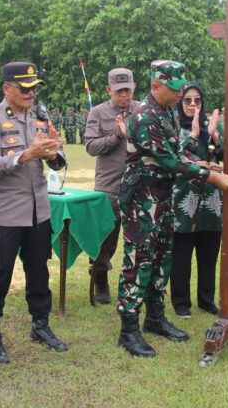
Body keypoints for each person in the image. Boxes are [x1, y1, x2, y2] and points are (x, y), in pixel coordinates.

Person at [116, 60, 228, 358]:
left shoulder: (166, 110)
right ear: (156, 86)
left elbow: (177, 151)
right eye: (175, 89)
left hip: (163, 196)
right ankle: (128, 330)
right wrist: (211, 176)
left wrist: (203, 164)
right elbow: (168, 161)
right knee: (139, 261)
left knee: (162, 257)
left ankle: (155, 317)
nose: (180, 94)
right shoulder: (144, 116)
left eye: (182, 88)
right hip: (142, 199)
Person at [0, 61, 69, 364]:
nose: (31, 93)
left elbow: (57, 160)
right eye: (24, 87)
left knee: (39, 271)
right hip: (6, 212)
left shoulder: (40, 118)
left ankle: (40, 325)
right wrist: (26, 154)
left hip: (38, 211)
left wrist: (53, 153)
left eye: (34, 88)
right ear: (7, 88)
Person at [84, 68, 140, 304]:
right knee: (105, 236)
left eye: (127, 89)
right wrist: (116, 136)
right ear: (109, 90)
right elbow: (90, 146)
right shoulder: (98, 112)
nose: (123, 95)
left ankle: (136, 283)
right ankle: (100, 279)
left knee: (139, 237)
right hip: (109, 186)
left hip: (139, 184)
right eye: (118, 91)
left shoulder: (142, 110)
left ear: (133, 88)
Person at [170, 82, 224, 318]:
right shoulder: (172, 127)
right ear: (180, 103)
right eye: (187, 100)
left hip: (211, 200)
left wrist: (214, 136)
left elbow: (225, 155)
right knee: (181, 254)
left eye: (197, 100)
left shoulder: (211, 125)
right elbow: (174, 158)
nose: (193, 104)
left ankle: (206, 299)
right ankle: (181, 302)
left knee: (209, 253)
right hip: (185, 199)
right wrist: (192, 136)